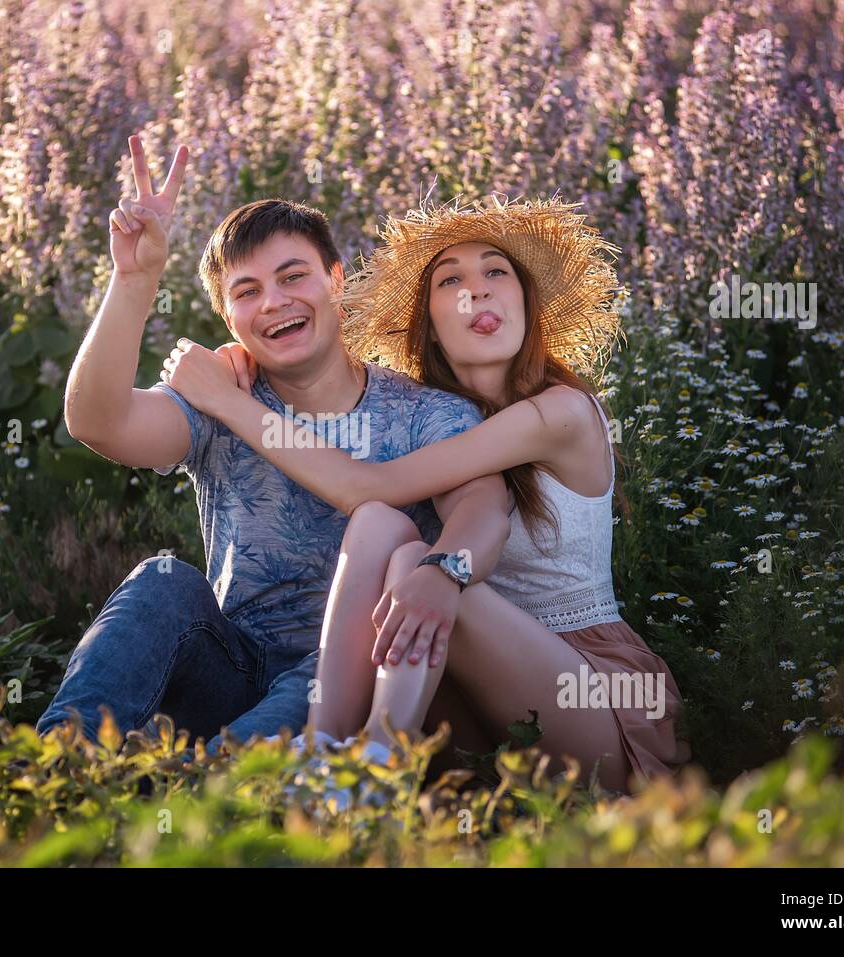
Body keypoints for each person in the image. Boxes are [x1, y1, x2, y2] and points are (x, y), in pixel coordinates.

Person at [162, 195, 693, 792]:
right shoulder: (441, 420)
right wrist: (249, 364)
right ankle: (330, 758)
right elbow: (381, 504)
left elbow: (364, 485)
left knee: (420, 558)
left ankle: (377, 770)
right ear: (431, 323)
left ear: (526, 302)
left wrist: (229, 402)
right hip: (468, 693)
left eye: (497, 272)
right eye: (451, 281)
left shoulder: (560, 411)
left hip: (588, 692)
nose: (478, 292)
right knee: (383, 529)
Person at [35, 137, 511, 757]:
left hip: (346, 673)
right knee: (162, 580)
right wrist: (134, 277)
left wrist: (445, 571)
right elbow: (97, 421)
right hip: (231, 664)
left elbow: (483, 508)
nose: (275, 303)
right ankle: (59, 765)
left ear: (336, 282)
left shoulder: (423, 411)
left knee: (283, 720)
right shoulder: (218, 395)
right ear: (228, 316)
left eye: (293, 277)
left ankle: (204, 790)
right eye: (247, 291)